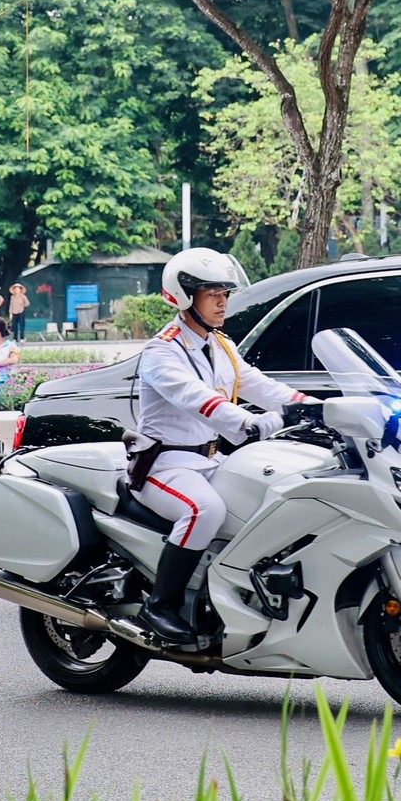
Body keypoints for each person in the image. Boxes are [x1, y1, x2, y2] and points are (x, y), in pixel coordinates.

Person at [129, 247, 315, 646]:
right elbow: (197, 399)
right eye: (211, 292)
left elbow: (264, 387)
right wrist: (247, 423)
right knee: (205, 509)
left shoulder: (221, 346)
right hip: (167, 464)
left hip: (211, 460)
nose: (222, 301)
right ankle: (160, 605)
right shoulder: (163, 350)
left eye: (225, 293)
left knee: (271, 497)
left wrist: (318, 409)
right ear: (184, 296)